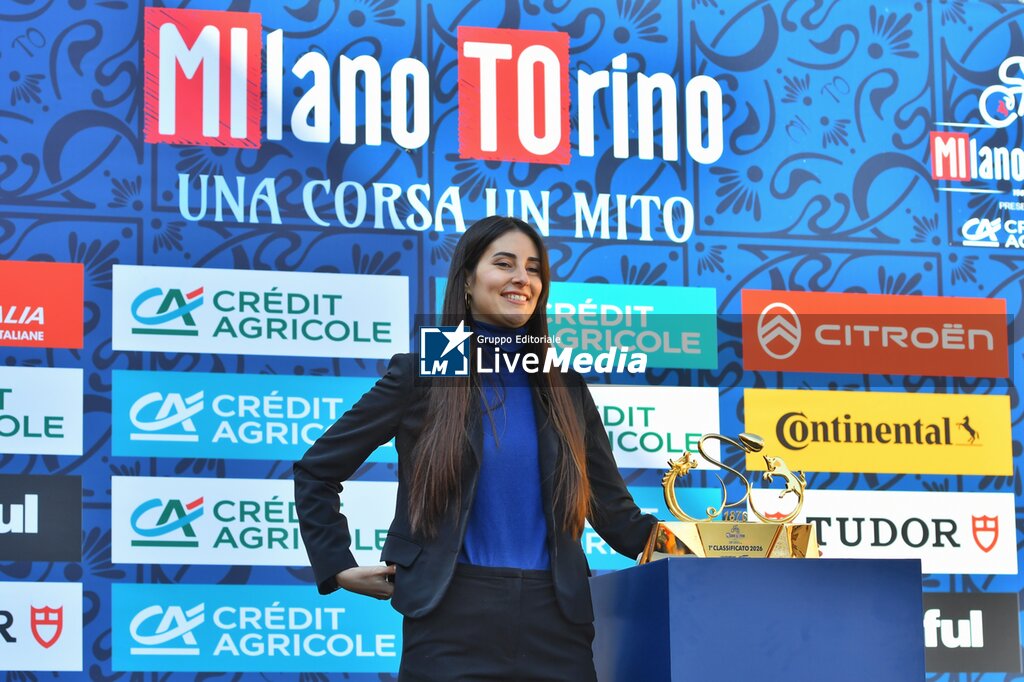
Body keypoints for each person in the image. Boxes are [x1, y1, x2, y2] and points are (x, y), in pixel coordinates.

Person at [293, 216, 657, 681]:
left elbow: (615, 515)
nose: (521, 279)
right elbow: (317, 471)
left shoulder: (563, 383)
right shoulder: (423, 370)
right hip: (448, 620)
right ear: (467, 280)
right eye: (503, 264)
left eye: (533, 268)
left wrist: (704, 549)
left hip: (558, 623)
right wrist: (337, 565)